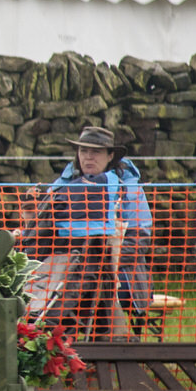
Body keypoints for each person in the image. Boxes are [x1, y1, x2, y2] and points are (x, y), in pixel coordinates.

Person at [37, 126, 152, 341]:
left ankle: (91, 350)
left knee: (88, 285)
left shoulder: (129, 190)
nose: (88, 156)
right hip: (65, 268)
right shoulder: (61, 187)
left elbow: (140, 238)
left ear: (110, 156)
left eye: (96, 152)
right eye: (83, 151)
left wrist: (102, 260)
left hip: (119, 272)